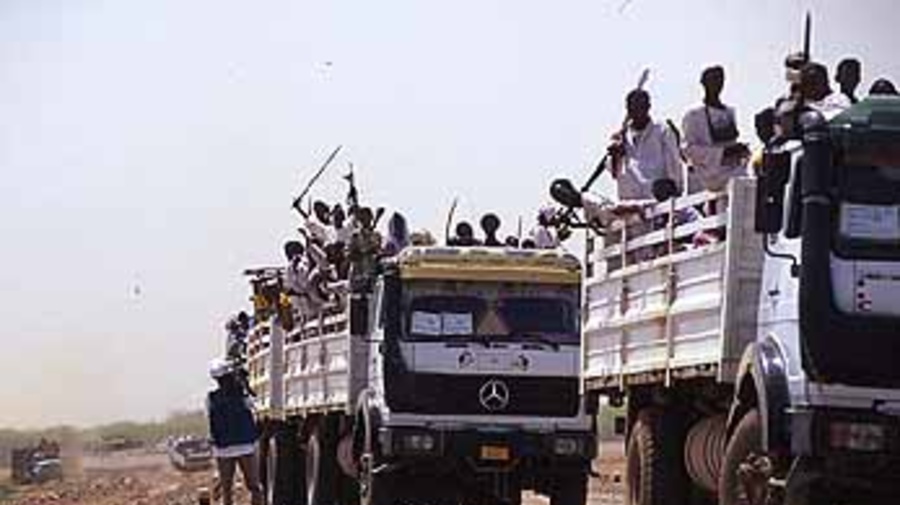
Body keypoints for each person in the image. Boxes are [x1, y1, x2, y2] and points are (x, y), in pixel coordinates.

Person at [682, 66, 751, 194]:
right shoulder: (694, 115)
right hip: (709, 178)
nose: (717, 84)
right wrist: (720, 153)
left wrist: (738, 150)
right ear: (703, 83)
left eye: (720, 80)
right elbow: (688, 149)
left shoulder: (729, 112)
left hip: (734, 172)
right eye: (712, 80)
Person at [608, 89, 685, 200]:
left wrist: (675, 191)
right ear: (628, 109)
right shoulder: (621, 137)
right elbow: (614, 172)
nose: (637, 111)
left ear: (648, 106)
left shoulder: (662, 131)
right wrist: (616, 154)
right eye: (633, 107)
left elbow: (674, 164)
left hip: (658, 202)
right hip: (630, 206)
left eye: (641, 106)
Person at [207, 358, 263, 505]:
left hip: (223, 448)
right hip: (244, 445)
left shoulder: (211, 398)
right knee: (254, 486)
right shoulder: (242, 395)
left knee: (227, 490)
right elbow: (255, 407)